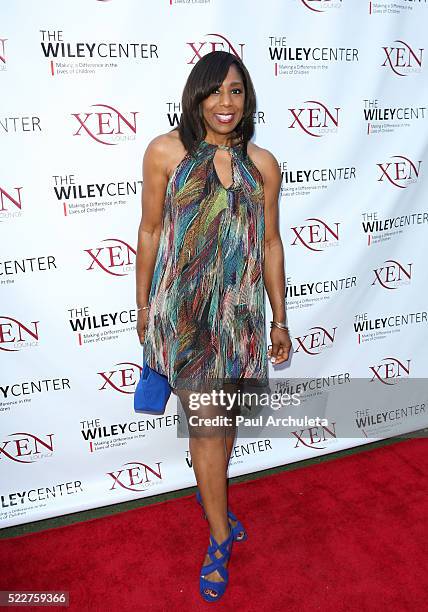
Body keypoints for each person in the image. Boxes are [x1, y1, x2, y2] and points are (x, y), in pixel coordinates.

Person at [135, 50, 291, 602]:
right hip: (184, 315)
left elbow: (270, 243)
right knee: (206, 427)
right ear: (196, 95)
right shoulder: (165, 152)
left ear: (247, 100)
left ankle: (212, 498)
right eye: (215, 91)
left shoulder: (263, 163)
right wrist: (141, 306)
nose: (225, 103)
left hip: (242, 318)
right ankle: (220, 536)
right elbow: (151, 231)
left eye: (236, 92)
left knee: (222, 427)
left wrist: (280, 318)